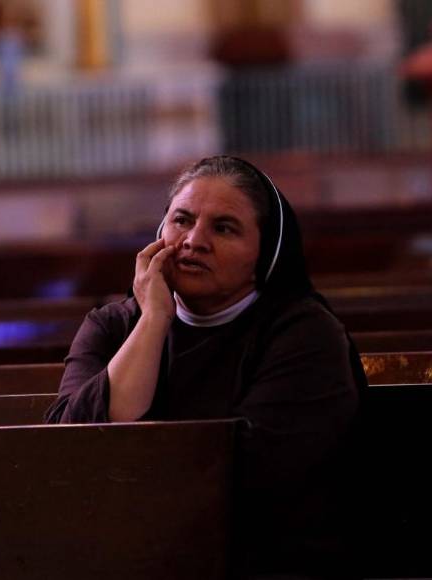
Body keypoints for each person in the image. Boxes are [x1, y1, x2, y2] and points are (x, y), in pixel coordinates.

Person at [45, 156, 367, 579]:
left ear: (266, 252)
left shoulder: (304, 334)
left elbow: (255, 479)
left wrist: (124, 489)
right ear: (159, 234)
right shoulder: (111, 326)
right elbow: (68, 454)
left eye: (224, 228)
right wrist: (155, 319)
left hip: (266, 561)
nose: (194, 241)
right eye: (182, 220)